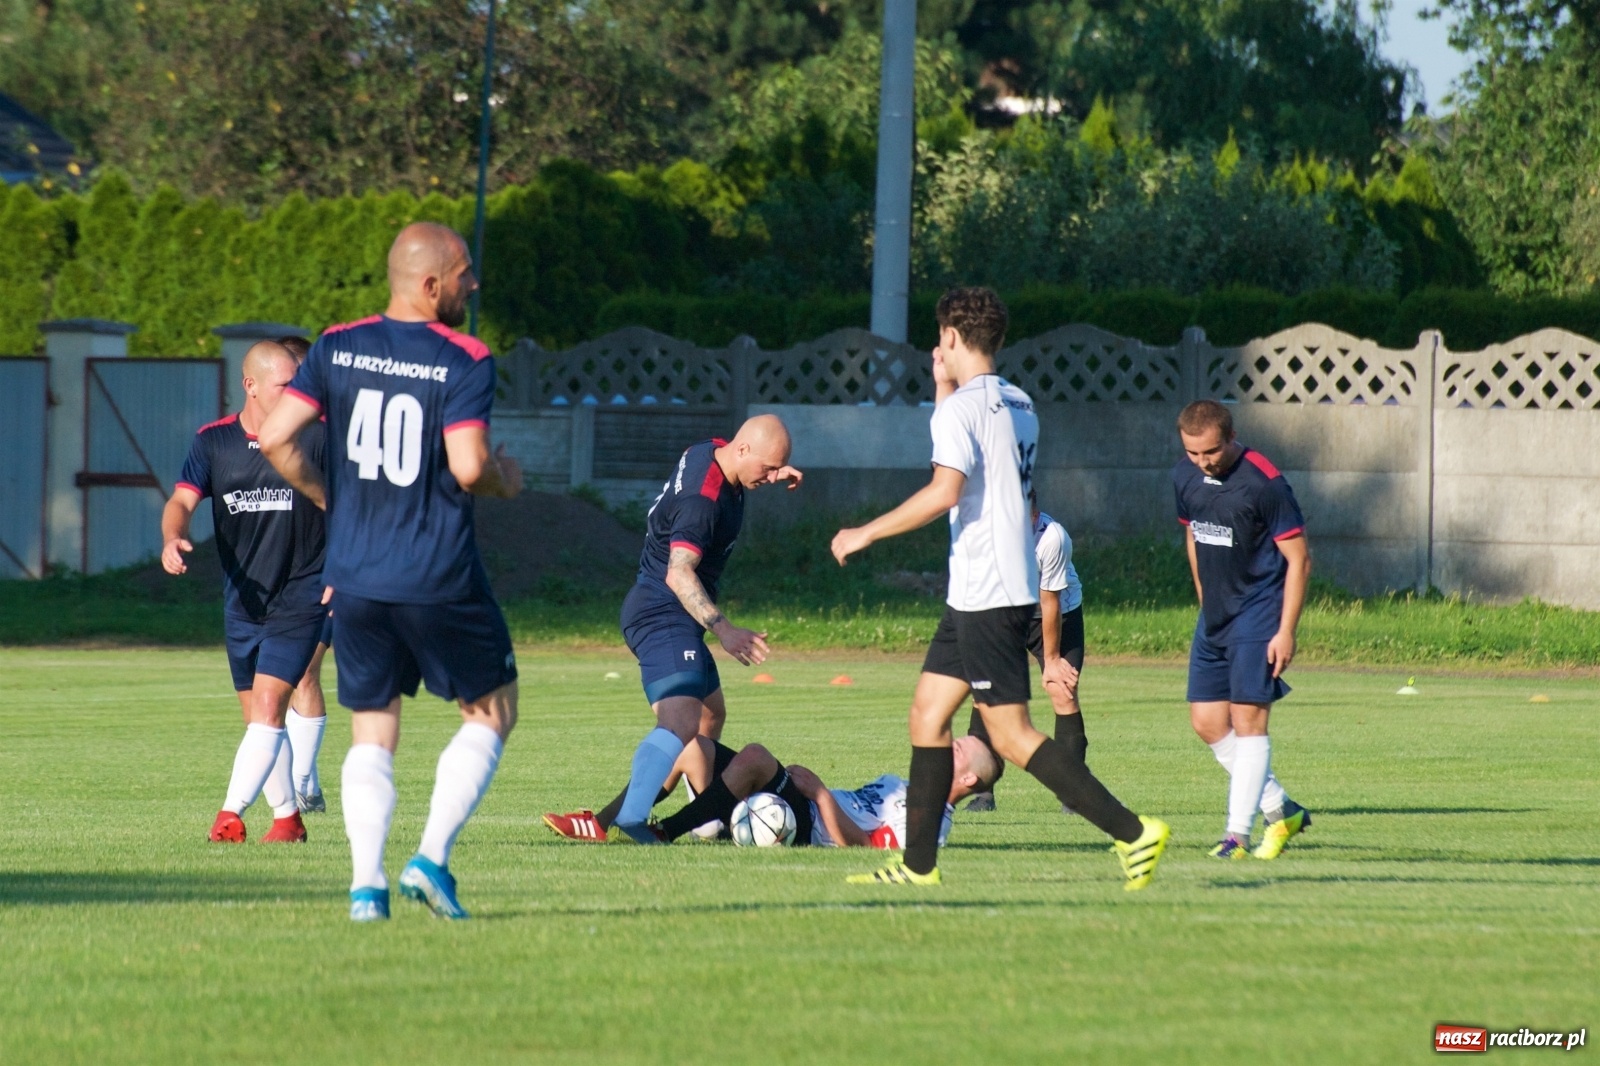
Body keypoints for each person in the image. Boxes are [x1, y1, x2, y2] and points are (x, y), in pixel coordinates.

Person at [831, 286, 1169, 890]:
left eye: (940, 339)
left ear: (953, 337)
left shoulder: (967, 409)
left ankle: (1133, 833)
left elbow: (945, 490)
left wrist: (866, 532)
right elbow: (984, 460)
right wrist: (941, 386)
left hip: (989, 593)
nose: (939, 348)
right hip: (980, 591)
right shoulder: (1019, 402)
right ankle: (918, 867)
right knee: (927, 717)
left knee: (1010, 736)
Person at [259, 221, 524, 922]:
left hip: (356, 578)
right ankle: (432, 860)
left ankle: (365, 888)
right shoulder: (465, 357)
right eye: (465, 272)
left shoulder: (336, 345)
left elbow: (274, 436)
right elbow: (468, 466)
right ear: (431, 285)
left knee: (373, 729)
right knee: (492, 710)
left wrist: (329, 499)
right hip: (437, 575)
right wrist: (506, 479)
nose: (474, 283)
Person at [551, 418, 802, 846]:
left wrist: (775, 469)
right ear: (742, 451)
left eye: (777, 469)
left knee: (710, 714)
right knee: (681, 722)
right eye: (769, 468)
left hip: (673, 616)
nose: (771, 477)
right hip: (661, 611)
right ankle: (637, 819)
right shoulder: (702, 503)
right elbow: (679, 573)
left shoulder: (712, 451)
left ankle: (624, 818)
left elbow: (745, 454)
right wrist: (723, 628)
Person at [161, 339, 328, 844]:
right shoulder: (213, 443)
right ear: (250, 386)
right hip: (243, 600)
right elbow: (181, 499)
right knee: (259, 720)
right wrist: (173, 535)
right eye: (285, 385)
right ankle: (287, 820)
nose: (297, 393)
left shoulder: (319, 439)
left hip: (303, 592)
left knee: (270, 707)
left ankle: (228, 814)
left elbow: (354, 505)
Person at [1173, 399, 1313, 860]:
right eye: (1193, 453)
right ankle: (1281, 809)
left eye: (1210, 452)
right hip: (1215, 617)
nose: (1202, 462)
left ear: (1231, 438)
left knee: (1248, 722)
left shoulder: (1264, 483)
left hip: (1259, 616)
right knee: (1207, 722)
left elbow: (1299, 560)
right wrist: (1202, 594)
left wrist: (1285, 630)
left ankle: (1237, 835)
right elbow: (1193, 534)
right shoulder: (1186, 477)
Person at [964, 490, 1086, 813]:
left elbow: (1050, 603)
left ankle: (1074, 797)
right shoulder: (987, 534)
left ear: (1034, 515)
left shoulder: (1052, 538)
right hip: (1007, 615)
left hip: (1058, 616)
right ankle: (982, 794)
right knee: (986, 694)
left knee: (1061, 690)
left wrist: (1052, 661)